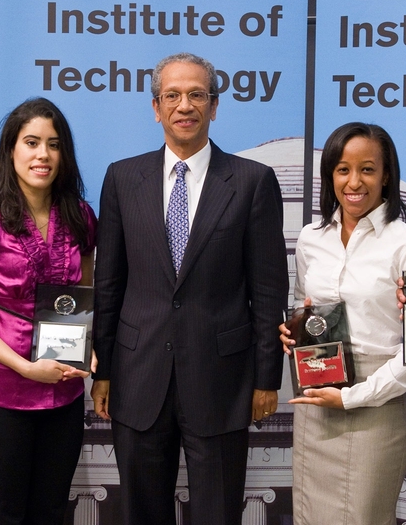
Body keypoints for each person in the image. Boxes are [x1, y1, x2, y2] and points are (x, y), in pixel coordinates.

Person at [91, 52, 289, 525]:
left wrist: (267, 377)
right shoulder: (122, 178)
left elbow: (267, 289)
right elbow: (109, 282)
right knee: (141, 512)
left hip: (222, 379)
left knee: (218, 514)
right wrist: (103, 369)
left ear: (215, 106)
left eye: (197, 94)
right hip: (137, 376)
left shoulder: (252, 181)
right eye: (173, 96)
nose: (185, 105)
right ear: (156, 107)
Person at [0, 97, 96, 524]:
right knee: (5, 512)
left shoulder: (81, 217)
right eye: (31, 142)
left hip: (64, 392)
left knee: (51, 510)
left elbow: (84, 298)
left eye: (53, 144)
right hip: (3, 394)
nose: (42, 155)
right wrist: (25, 367)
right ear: (11, 149)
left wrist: (90, 351)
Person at [279, 123, 406, 524]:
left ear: (386, 176)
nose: (354, 182)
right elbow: (306, 307)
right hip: (317, 402)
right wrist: (294, 332)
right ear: (329, 175)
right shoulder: (312, 238)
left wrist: (355, 395)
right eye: (342, 169)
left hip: (377, 405)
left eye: (367, 169)